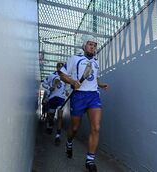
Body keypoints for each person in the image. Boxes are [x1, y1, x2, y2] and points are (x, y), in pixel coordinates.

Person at [59, 35, 108, 172]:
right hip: (78, 96)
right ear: (84, 45)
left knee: (96, 127)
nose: (93, 46)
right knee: (74, 128)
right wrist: (73, 82)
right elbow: (62, 74)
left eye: (94, 45)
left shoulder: (96, 62)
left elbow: (94, 77)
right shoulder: (75, 59)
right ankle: (69, 143)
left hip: (93, 96)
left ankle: (90, 160)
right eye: (90, 44)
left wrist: (101, 84)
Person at [42, 62, 66, 145]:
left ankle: (58, 136)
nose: (60, 68)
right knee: (51, 115)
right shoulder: (51, 75)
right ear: (56, 68)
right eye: (59, 67)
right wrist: (49, 88)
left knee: (60, 116)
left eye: (62, 67)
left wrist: (66, 92)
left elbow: (68, 87)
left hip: (61, 99)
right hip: (52, 98)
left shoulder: (66, 77)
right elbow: (43, 83)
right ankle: (50, 126)